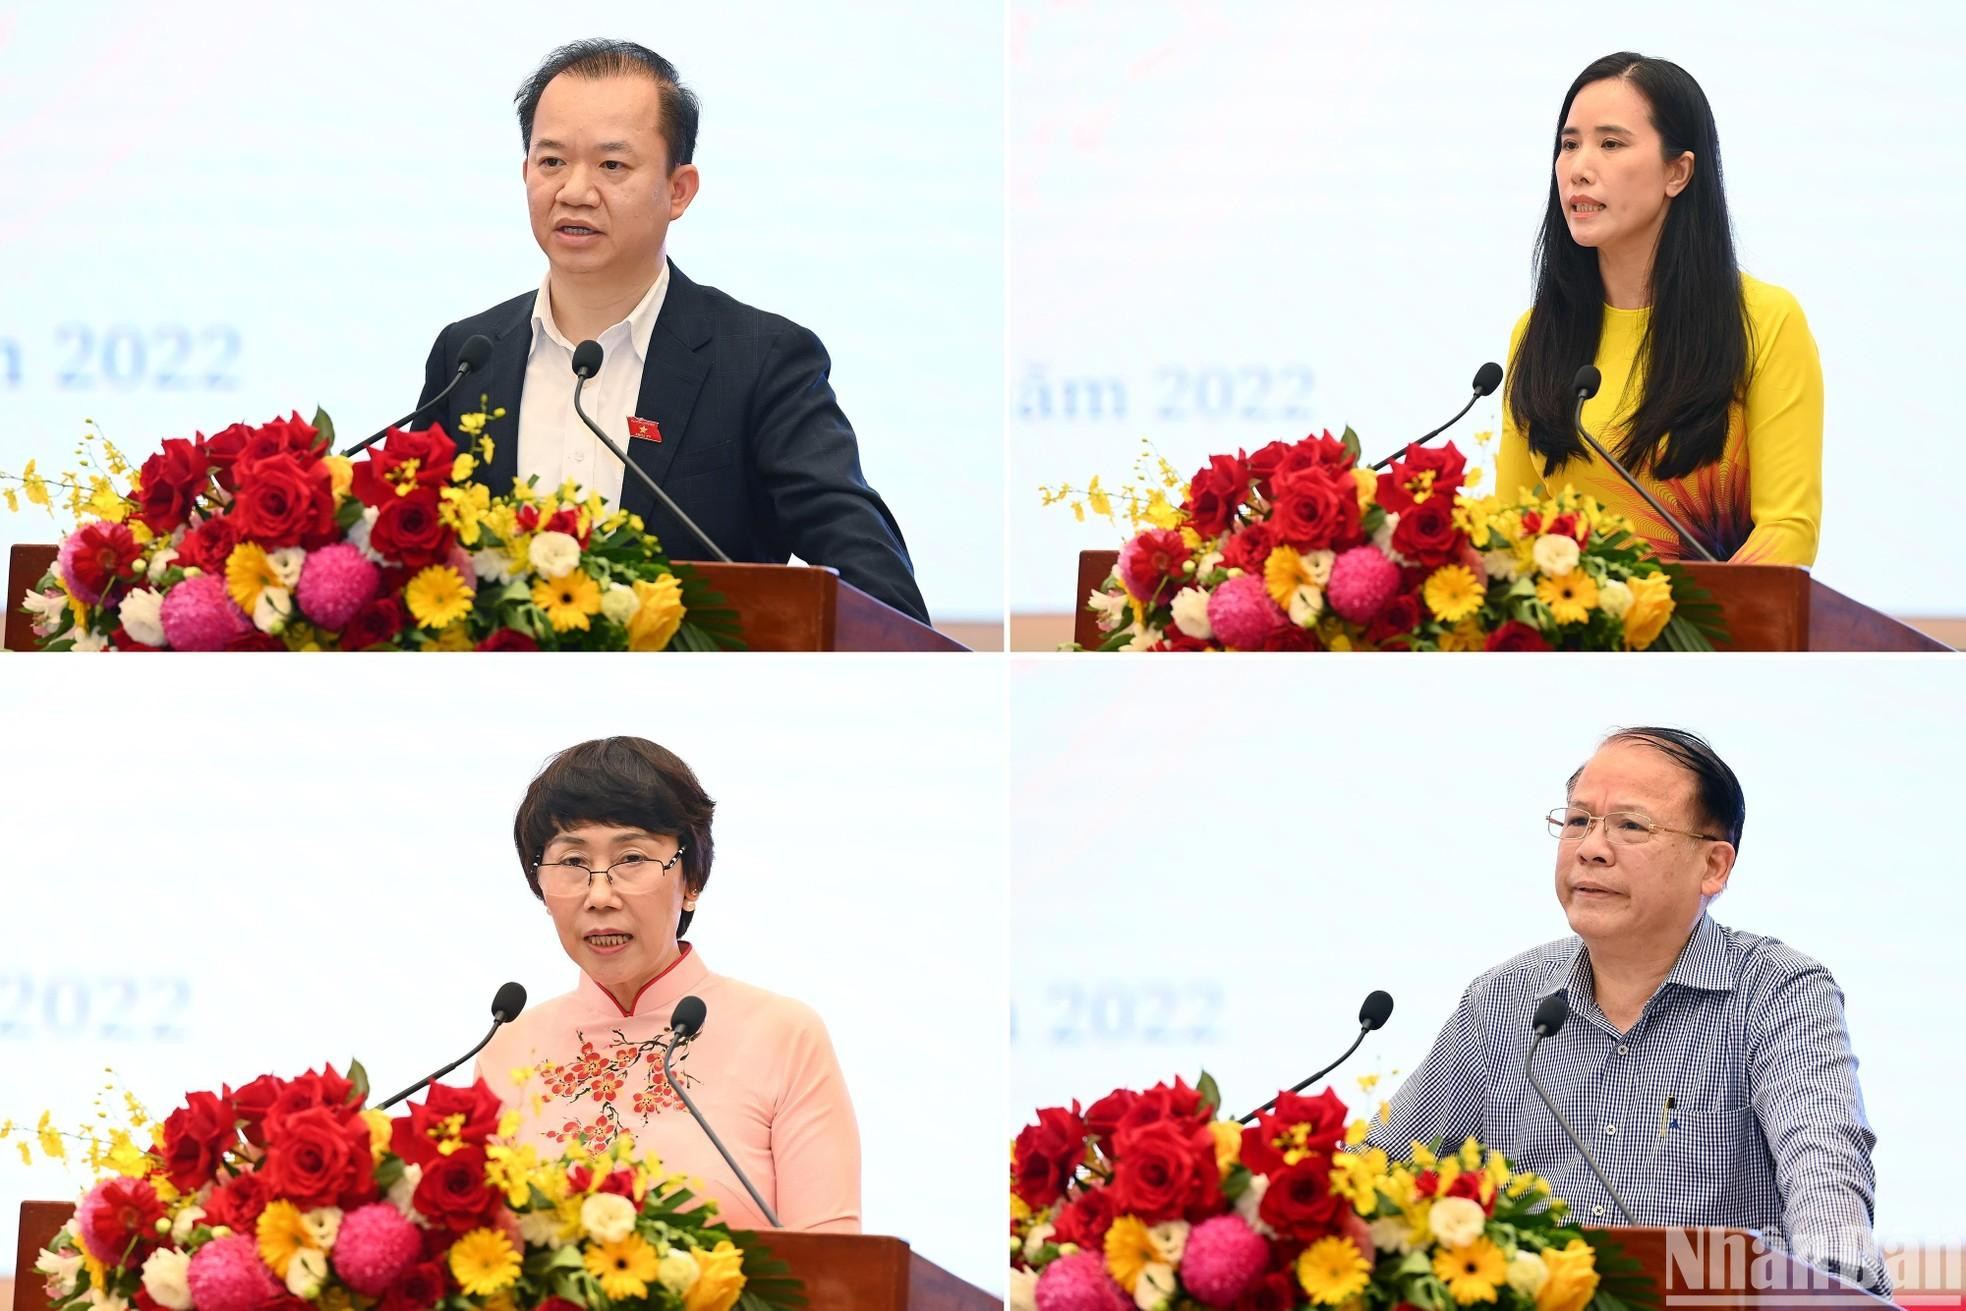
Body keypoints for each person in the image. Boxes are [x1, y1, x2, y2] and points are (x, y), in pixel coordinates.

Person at [417, 39, 930, 623]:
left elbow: (883, 597)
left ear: (679, 190)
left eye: (612, 165)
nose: (575, 191)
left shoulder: (761, 363)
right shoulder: (468, 355)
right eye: (552, 161)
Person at [1369, 728, 1886, 1295]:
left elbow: (1828, 1194)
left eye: (1631, 826)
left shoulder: (1777, 992)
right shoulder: (1506, 999)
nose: (1591, 847)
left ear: (1713, 866)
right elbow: (1379, 1170)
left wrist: (1837, 1297)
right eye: (1577, 821)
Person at [477, 736, 862, 1233]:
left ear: (692, 879)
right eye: (572, 863)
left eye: (631, 858)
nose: (599, 895)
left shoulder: (782, 1033)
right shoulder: (508, 1047)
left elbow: (836, 1266)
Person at [1496, 54, 1822, 567]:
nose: (1579, 168)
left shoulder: (1766, 321)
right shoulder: (1537, 335)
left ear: (1678, 172)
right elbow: (1510, 532)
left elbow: (1788, 528)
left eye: (1610, 143)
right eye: (1569, 144)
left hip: (1710, 638)